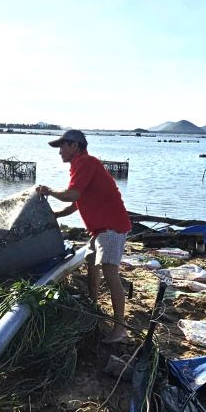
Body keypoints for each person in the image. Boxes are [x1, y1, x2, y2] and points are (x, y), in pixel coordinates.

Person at [36, 129, 132, 343]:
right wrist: (57, 215)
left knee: (110, 273)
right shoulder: (80, 166)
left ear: (74, 146)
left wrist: (49, 191)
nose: (59, 151)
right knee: (91, 263)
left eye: (62, 146)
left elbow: (72, 195)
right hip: (99, 230)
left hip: (111, 228)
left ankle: (120, 329)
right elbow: (78, 202)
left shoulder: (86, 163)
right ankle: (94, 304)